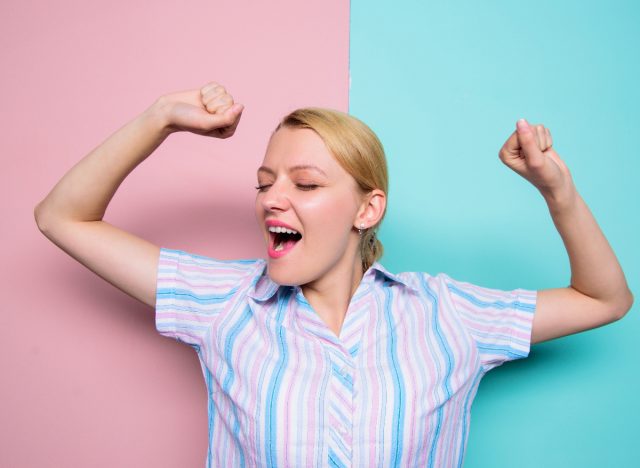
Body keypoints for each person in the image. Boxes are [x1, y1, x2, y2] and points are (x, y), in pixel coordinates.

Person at [35, 81, 633, 467]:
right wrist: (160, 117)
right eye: (265, 183)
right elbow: (62, 218)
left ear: (367, 210)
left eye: (307, 184)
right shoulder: (224, 302)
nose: (273, 199)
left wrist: (557, 191)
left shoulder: (446, 314)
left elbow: (604, 299)